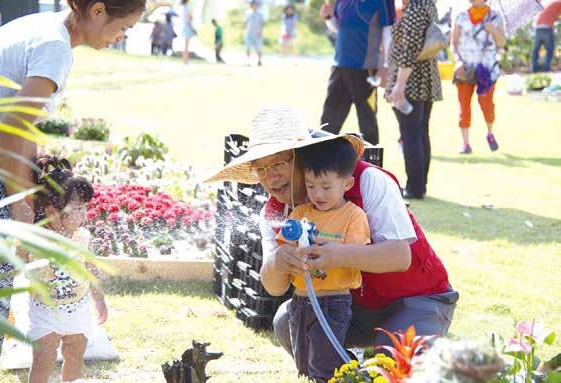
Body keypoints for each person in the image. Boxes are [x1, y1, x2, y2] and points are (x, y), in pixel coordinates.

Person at [206, 106, 458, 357]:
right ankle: (344, 373)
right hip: (350, 308)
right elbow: (274, 288)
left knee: (396, 358)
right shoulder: (274, 212)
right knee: (287, 322)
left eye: (278, 163)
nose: (270, 178)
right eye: (260, 169)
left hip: (417, 298)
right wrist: (277, 262)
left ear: (302, 157)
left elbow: (401, 256)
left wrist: (338, 255)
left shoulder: (368, 180)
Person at [0, 1, 144, 381]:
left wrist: (34, 165)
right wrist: (21, 201)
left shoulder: (44, 27)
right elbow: (10, 130)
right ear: (98, 11)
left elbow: (15, 125)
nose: (123, 36)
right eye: (125, 26)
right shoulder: (55, 46)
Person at [275, 137, 371, 382]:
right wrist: (287, 252)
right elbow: (284, 248)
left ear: (347, 183)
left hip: (332, 303)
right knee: (304, 366)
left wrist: (332, 251)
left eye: (326, 187)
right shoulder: (300, 214)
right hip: (299, 301)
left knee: (323, 368)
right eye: (310, 186)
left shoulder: (353, 216)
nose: (317, 194)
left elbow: (356, 255)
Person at [25, 155, 108, 383]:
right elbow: (16, 264)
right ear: (52, 211)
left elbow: (91, 269)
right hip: (45, 311)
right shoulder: (34, 238)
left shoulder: (82, 237)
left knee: (74, 354)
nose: (84, 215)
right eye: (78, 209)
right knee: (43, 357)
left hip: (77, 308)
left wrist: (98, 299)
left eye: (85, 208)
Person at [386, 0, 442, 200]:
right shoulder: (427, 6)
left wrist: (399, 85)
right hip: (424, 78)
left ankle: (415, 187)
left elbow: (409, 51)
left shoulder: (415, 10)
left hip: (411, 80)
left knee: (410, 135)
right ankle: (419, 185)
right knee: (420, 133)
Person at [319, 0, 396, 145]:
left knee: (368, 124)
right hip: (340, 67)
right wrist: (328, 18)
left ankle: (372, 164)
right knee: (328, 123)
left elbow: (387, 32)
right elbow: (339, 27)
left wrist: (386, 65)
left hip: (366, 70)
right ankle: (323, 164)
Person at [452, 0, 506, 154]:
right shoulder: (461, 17)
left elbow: (502, 42)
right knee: (464, 107)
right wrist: (457, 61)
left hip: (487, 69)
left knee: (487, 105)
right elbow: (454, 43)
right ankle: (466, 144)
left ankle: (490, 133)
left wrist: (493, 30)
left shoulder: (495, 17)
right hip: (465, 68)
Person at [531, 0, 561, 73]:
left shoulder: (546, 2)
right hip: (546, 28)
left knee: (536, 50)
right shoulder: (559, 2)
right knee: (550, 50)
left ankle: (534, 69)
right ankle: (545, 69)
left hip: (537, 28)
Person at [244, 1, 265, 66]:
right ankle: (248, 61)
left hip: (257, 34)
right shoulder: (248, 13)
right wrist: (244, 31)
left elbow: (262, 24)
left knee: (258, 48)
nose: (254, 6)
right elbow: (246, 22)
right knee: (247, 47)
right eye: (253, 5)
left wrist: (261, 32)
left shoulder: (260, 14)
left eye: (255, 5)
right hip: (249, 33)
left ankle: (259, 60)